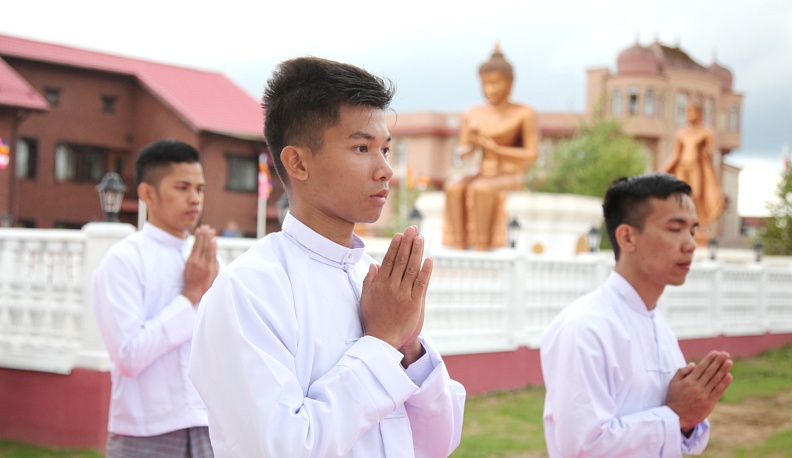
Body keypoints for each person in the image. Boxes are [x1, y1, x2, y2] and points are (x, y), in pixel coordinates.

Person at [189, 57, 466, 457]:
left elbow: (439, 442)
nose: (386, 169)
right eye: (361, 148)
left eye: (386, 149)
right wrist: (381, 343)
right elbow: (279, 449)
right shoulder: (250, 290)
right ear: (298, 162)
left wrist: (409, 351)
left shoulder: (374, 283)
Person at [540, 173, 733, 457]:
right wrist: (675, 416)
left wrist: (689, 419)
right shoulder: (586, 327)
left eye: (692, 230)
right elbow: (583, 448)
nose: (690, 244)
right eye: (675, 228)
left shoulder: (656, 323)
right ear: (628, 237)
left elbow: (680, 437)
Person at [92, 139, 219, 457]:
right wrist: (190, 296)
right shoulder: (124, 260)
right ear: (148, 193)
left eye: (200, 189)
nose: (195, 199)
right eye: (182, 187)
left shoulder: (209, 261)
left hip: (208, 425)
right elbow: (129, 357)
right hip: (144, 429)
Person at [443, 44, 538, 251]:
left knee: (482, 190)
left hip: (510, 173)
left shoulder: (524, 113)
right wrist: (473, 145)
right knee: (454, 188)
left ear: (509, 82)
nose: (490, 89)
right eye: (486, 83)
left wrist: (496, 149)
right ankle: (457, 245)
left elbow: (531, 155)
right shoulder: (473, 113)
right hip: (483, 170)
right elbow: (463, 152)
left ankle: (482, 246)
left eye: (496, 83)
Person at [661, 101, 723, 241]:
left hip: (697, 168)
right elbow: (675, 155)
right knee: (682, 196)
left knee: (696, 195)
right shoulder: (681, 134)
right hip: (683, 167)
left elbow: (711, 151)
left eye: (693, 112)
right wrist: (662, 171)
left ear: (700, 114)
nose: (690, 115)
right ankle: (681, 222)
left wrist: (707, 153)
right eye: (687, 112)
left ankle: (700, 224)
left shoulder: (706, 132)